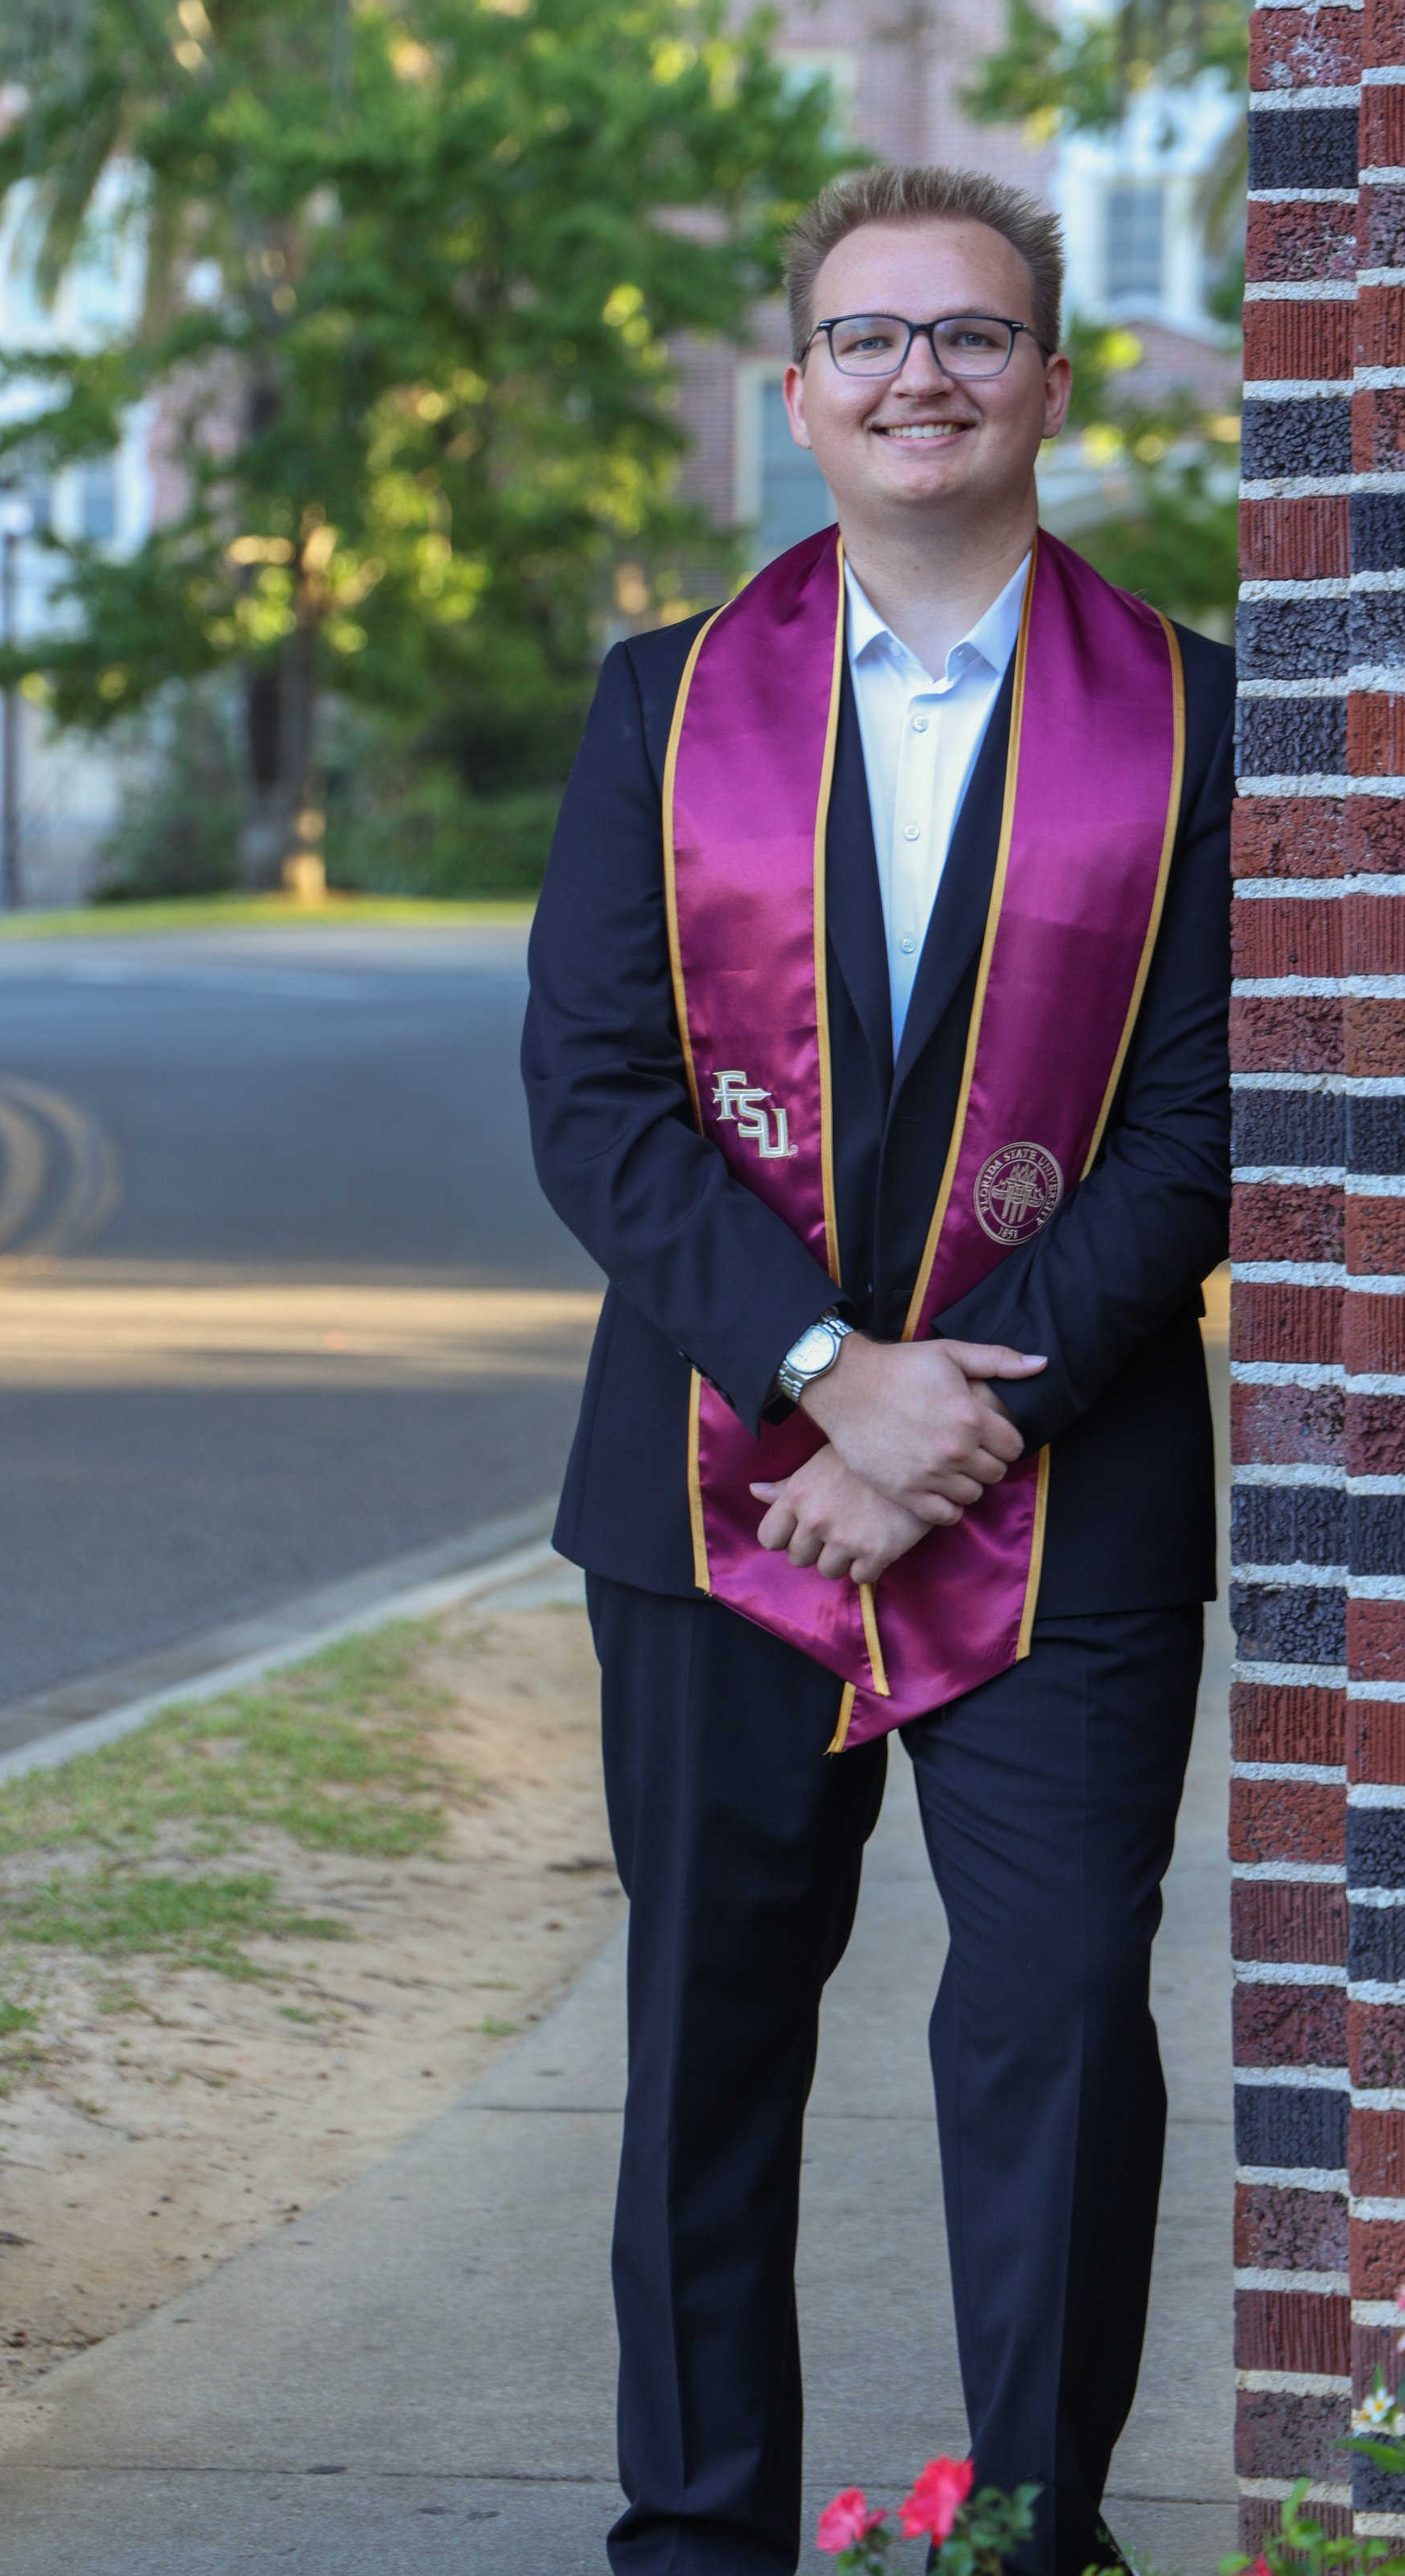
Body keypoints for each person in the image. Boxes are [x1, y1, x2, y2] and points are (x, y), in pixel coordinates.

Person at [522, 164, 1233, 2576]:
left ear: (1048, 378)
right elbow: (596, 1105)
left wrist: (974, 1413)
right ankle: (694, 2538)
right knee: (705, 2042)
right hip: (718, 1491)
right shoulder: (662, 700)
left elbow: (1195, 1125)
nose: (914, 371)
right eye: (864, 335)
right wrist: (830, 1375)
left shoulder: (1197, 722)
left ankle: (1032, 2531)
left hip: (1066, 1512)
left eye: (967, 332)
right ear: (798, 392)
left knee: (1045, 2035)